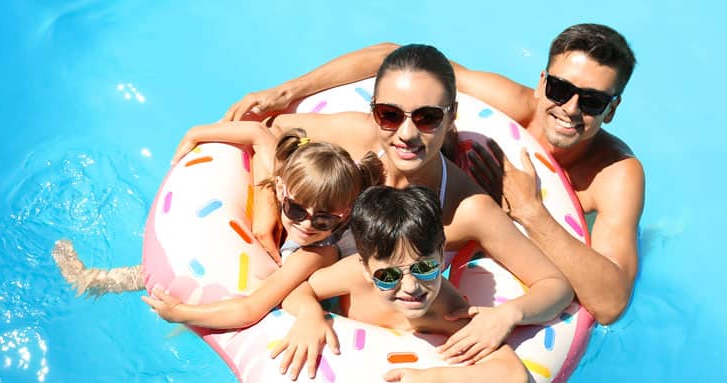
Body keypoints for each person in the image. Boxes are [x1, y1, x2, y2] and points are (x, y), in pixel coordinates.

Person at [224, 24, 643, 326]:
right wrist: (287, 92)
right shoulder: (505, 107)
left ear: (613, 107)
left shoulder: (614, 174)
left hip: (484, 231)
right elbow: (397, 58)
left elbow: (608, 304)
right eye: (559, 90)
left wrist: (531, 211)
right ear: (542, 82)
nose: (569, 108)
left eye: (590, 100)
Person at [252, 44, 572, 376]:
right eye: (390, 115)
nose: (406, 134)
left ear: (452, 116)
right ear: (374, 112)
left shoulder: (467, 209)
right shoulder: (359, 139)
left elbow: (555, 285)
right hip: (318, 283)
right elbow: (273, 129)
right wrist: (267, 215)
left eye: (428, 117)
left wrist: (507, 315)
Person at [135, 126, 384, 329]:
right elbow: (259, 134)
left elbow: (250, 309)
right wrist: (195, 134)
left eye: (323, 220)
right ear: (280, 188)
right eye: (296, 210)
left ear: (345, 214)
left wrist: (180, 313)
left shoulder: (318, 253)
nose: (306, 225)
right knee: (141, 275)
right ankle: (110, 279)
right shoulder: (292, 185)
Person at [280, 185, 531, 383]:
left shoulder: (447, 310)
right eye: (389, 276)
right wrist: (310, 314)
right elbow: (299, 290)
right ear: (367, 268)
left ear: (441, 255)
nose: (411, 287)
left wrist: (434, 378)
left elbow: (512, 373)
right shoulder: (354, 275)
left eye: (424, 268)